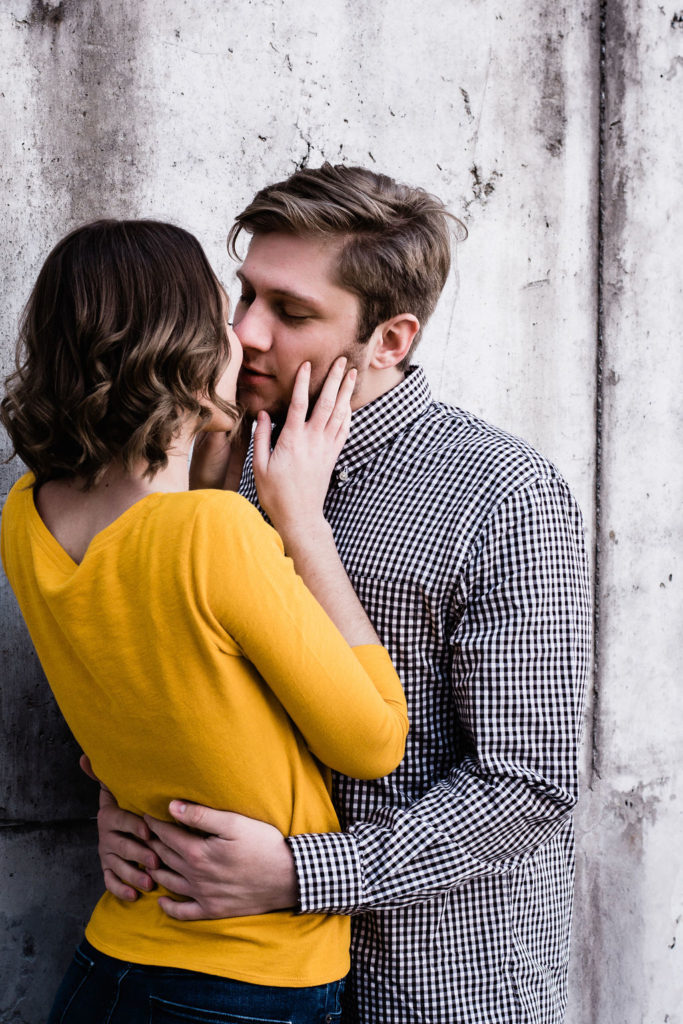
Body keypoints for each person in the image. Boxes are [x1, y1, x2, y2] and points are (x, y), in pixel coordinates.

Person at [94, 165, 592, 1024]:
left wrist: (299, 872)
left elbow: (529, 781)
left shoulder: (500, 494)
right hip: (230, 980)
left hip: (433, 990)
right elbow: (164, 692)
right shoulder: (209, 465)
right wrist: (119, 806)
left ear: (390, 340)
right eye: (244, 295)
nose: (245, 334)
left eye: (289, 313)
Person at [0, 218, 409, 1024]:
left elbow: (167, 659)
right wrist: (301, 524)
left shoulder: (23, 516)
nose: (243, 338)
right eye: (226, 318)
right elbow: (373, 743)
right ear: (188, 350)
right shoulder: (215, 535)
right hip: (243, 981)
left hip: (113, 957)